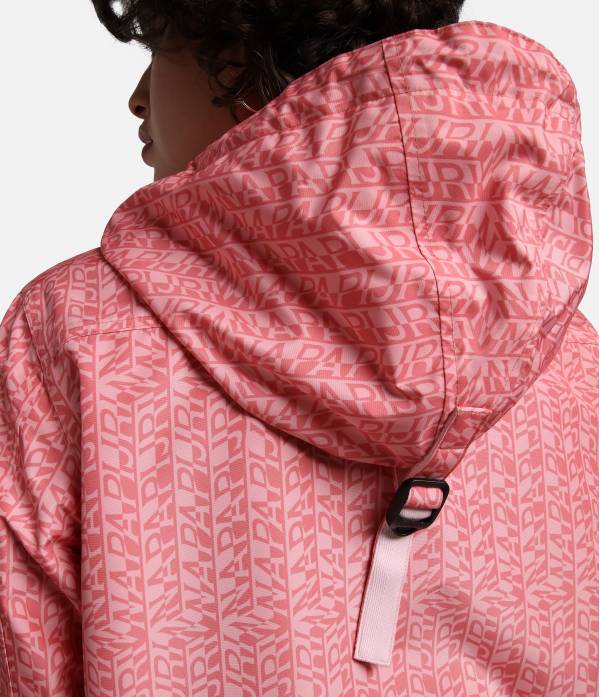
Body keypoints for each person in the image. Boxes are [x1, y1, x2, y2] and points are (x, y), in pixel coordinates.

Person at [0, 2, 597, 696]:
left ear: (234, 59)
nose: (138, 98)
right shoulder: (564, 353)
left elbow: (26, 661)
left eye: (158, 52)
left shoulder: (76, 331)